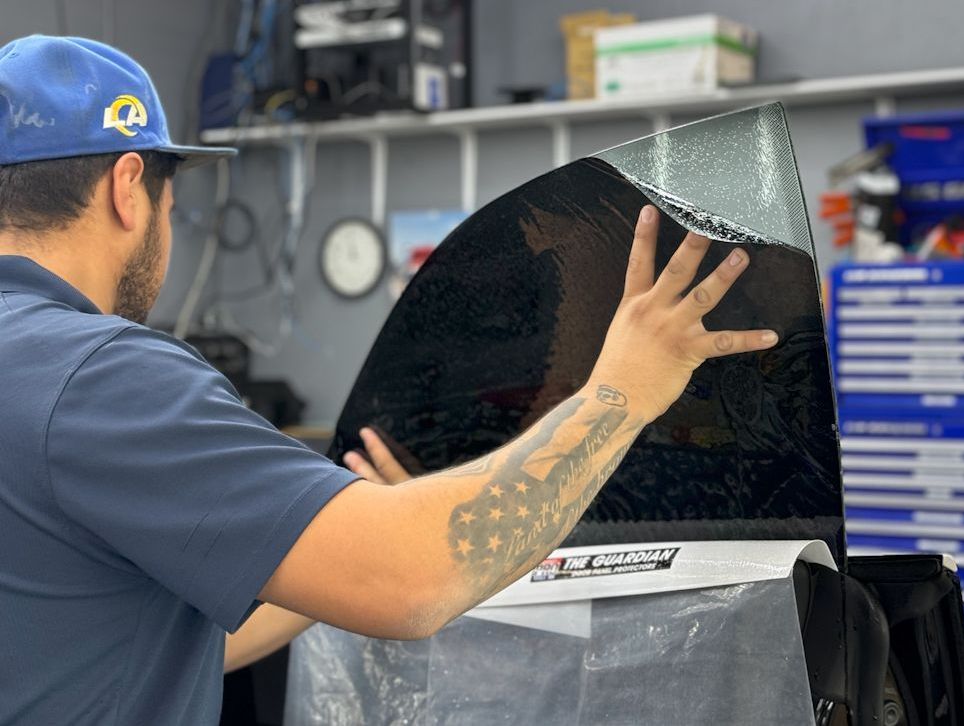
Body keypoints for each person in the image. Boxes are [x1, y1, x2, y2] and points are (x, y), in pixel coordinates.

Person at [0, 35, 779, 725]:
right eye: (174, 198)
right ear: (128, 187)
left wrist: (326, 549)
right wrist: (623, 391)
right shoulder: (104, 377)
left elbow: (119, 636)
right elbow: (412, 581)